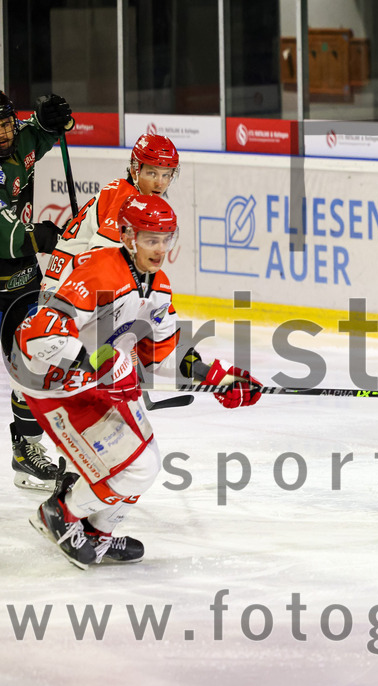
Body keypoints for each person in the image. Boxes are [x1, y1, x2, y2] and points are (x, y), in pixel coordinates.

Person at [7, 194, 263, 569]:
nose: (159, 249)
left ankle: (97, 536)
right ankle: (59, 513)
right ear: (128, 237)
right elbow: (40, 332)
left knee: (147, 461)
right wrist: (95, 366)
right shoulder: (99, 270)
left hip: (93, 383)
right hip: (54, 383)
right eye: (150, 239)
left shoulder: (157, 287)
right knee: (135, 466)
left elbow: (162, 355)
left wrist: (218, 377)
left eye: (165, 239)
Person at [0, 90, 76, 490]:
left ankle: (25, 450)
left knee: (33, 360)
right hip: (6, 264)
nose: (4, 133)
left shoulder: (17, 139)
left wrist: (50, 117)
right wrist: (42, 236)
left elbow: (45, 132)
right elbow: (7, 236)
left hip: (22, 279)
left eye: (6, 123)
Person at [39, 133, 179, 304]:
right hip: (65, 290)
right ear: (135, 171)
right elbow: (101, 255)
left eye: (166, 175)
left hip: (71, 284)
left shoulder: (129, 194)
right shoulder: (127, 200)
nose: (160, 183)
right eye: (152, 173)